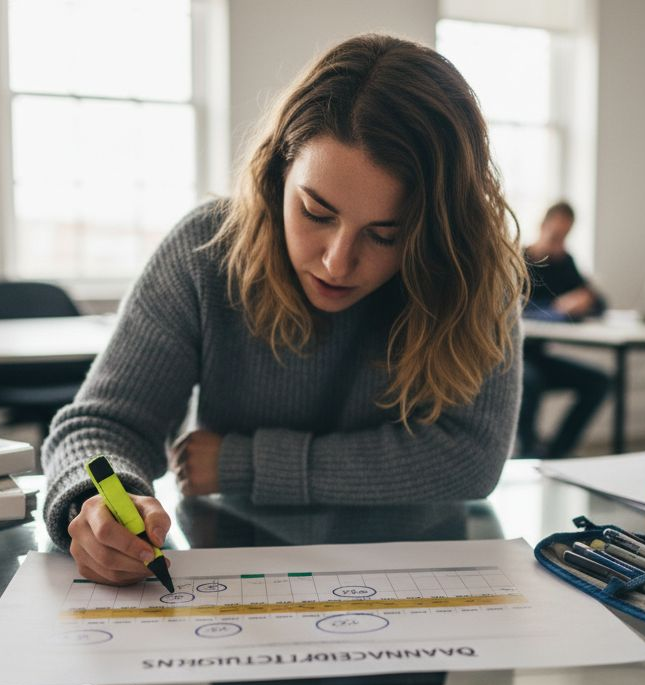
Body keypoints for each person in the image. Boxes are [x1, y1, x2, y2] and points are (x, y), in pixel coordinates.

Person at [41, 34, 526, 585]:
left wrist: (243, 463)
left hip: (417, 573)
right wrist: (98, 502)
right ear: (278, 174)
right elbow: (103, 425)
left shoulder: (472, 276)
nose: (338, 262)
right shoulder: (206, 251)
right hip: (237, 572)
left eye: (385, 234)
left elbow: (470, 458)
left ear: (436, 232)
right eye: (316, 212)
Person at [516, 202, 611, 458]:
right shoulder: (519, 260)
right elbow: (515, 310)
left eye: (565, 236)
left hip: (539, 357)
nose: (559, 242)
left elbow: (600, 303)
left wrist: (586, 300)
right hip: (514, 358)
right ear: (542, 226)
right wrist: (556, 309)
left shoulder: (564, 262)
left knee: (599, 381)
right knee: (530, 381)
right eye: (556, 235)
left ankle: (557, 453)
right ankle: (528, 453)